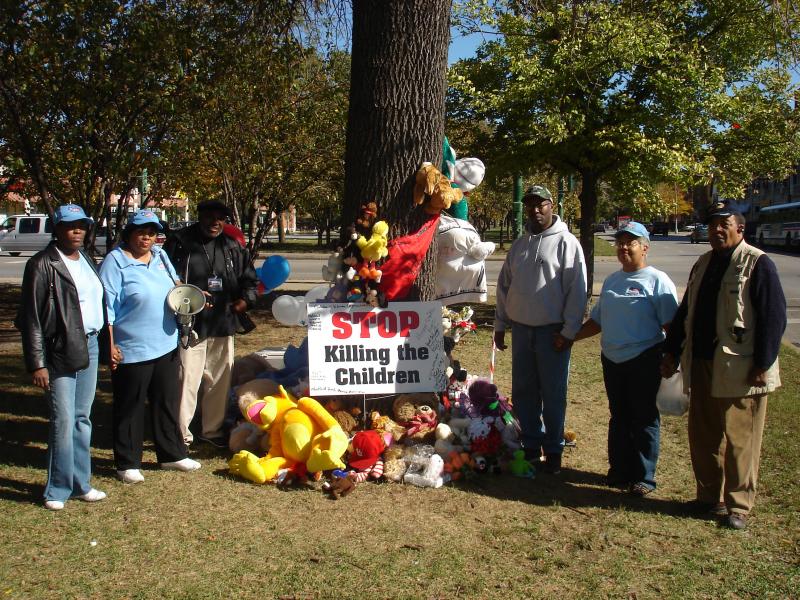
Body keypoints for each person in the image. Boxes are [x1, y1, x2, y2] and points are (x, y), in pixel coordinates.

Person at [661, 201, 786, 530]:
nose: (716, 230)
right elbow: (685, 311)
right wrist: (671, 350)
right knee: (703, 435)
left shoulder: (758, 263)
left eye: (724, 224)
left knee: (741, 439)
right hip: (701, 362)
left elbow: (774, 317)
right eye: (712, 224)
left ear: (740, 228)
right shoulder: (703, 263)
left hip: (741, 369)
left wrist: (763, 363)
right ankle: (707, 497)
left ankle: (738, 506)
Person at [574, 222, 678, 496]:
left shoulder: (657, 280)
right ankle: (619, 471)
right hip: (612, 359)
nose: (623, 247)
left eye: (630, 242)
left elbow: (672, 327)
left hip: (644, 358)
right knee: (619, 417)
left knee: (644, 418)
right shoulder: (612, 281)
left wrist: (672, 357)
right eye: (620, 242)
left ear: (645, 248)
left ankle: (644, 478)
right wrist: (569, 337)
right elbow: (597, 321)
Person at [17, 204, 110, 510]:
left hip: (89, 344)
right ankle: (57, 489)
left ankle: (81, 483)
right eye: (70, 225)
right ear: (56, 229)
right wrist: (37, 363)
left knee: (82, 417)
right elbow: (31, 318)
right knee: (64, 419)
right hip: (59, 349)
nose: (77, 230)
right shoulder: (42, 264)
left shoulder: (86, 258)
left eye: (81, 225)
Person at [100, 210, 201, 483]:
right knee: (130, 406)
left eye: (152, 233)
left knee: (166, 401)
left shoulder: (160, 256)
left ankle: (172, 454)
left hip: (165, 343)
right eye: (141, 232)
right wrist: (109, 343)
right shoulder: (115, 261)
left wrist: (192, 295)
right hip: (132, 347)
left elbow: (176, 286)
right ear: (129, 233)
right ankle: (127, 462)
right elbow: (106, 307)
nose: (146, 238)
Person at [494, 185, 588, 474]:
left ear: (551, 206)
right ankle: (532, 445)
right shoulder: (519, 246)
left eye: (541, 204)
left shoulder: (567, 243)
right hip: (522, 330)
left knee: (553, 394)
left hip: (552, 333)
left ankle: (554, 449)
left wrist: (569, 331)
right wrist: (500, 324)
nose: (535, 210)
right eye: (530, 204)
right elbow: (504, 287)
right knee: (524, 392)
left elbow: (577, 289)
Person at [163, 200, 258, 448]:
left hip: (223, 321)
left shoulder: (232, 246)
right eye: (209, 217)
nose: (214, 223)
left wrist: (245, 301)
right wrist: (187, 295)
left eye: (220, 218)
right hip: (189, 323)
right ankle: (181, 433)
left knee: (219, 379)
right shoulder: (180, 242)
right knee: (186, 378)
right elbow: (164, 278)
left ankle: (212, 430)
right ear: (199, 217)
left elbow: (249, 280)